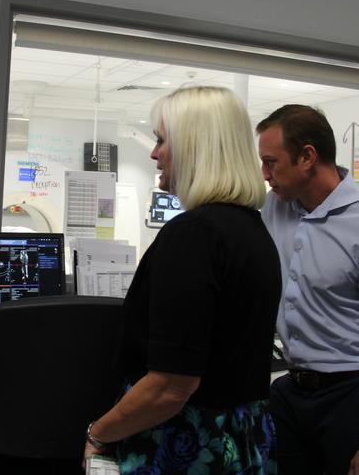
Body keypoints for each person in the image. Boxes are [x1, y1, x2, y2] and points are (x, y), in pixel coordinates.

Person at [83, 86, 281, 473]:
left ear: (196, 146)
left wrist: (98, 434)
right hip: (242, 440)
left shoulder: (193, 234)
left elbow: (170, 386)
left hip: (185, 444)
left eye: (161, 140)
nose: (154, 153)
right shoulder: (252, 230)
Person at [256, 104, 359, 475]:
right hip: (293, 388)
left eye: (272, 163)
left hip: (349, 392)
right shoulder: (275, 207)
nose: (265, 175)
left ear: (307, 157)